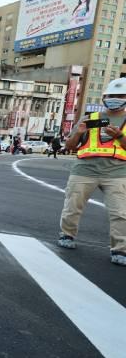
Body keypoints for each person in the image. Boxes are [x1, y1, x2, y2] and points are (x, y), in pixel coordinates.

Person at [57, 77, 126, 266]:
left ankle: (120, 249)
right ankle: (67, 235)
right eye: (111, 95)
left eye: (120, 96)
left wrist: (119, 136)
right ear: (104, 97)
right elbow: (70, 145)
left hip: (117, 173)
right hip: (84, 170)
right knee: (72, 206)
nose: (115, 99)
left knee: (121, 212)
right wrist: (78, 132)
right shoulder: (90, 118)